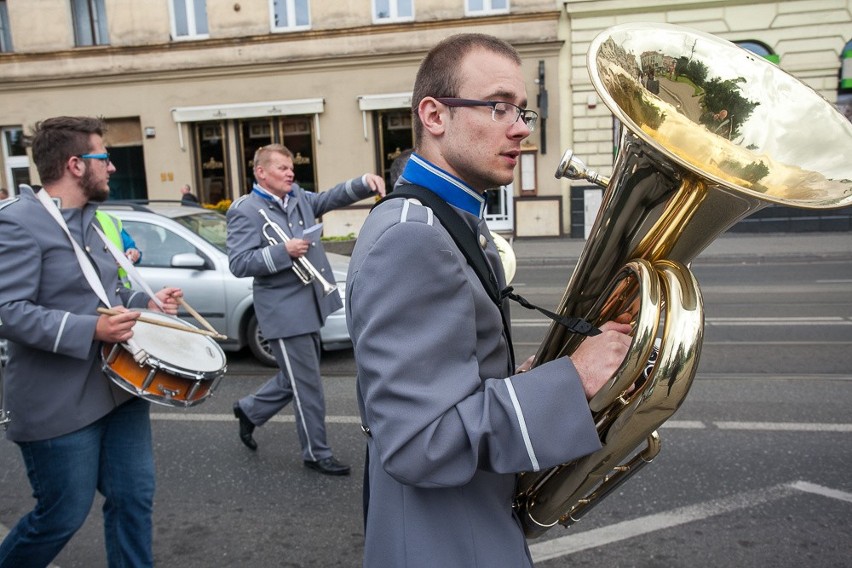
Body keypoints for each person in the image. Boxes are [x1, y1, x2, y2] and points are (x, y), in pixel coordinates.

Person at [346, 33, 632, 566]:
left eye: (522, 110)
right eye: (498, 106)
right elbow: (417, 441)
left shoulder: (445, 220)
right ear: (434, 116)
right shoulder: (415, 235)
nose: (521, 126)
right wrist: (572, 379)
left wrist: (519, 381)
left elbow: (447, 383)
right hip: (445, 540)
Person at [0, 116, 183, 568]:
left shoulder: (95, 223)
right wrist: (91, 330)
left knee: (134, 500)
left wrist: (148, 302)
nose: (113, 169)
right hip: (57, 402)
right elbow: (8, 311)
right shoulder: (18, 223)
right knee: (61, 515)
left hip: (121, 389)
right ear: (76, 164)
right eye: (106, 158)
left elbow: (107, 298)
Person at [228, 143, 385, 476]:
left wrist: (363, 182)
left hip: (309, 304)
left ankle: (249, 410)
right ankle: (317, 452)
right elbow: (239, 263)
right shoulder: (245, 210)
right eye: (282, 168)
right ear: (261, 172)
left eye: (291, 167)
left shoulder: (296, 197)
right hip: (283, 313)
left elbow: (327, 199)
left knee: (295, 379)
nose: (290, 172)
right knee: (308, 384)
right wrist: (283, 251)